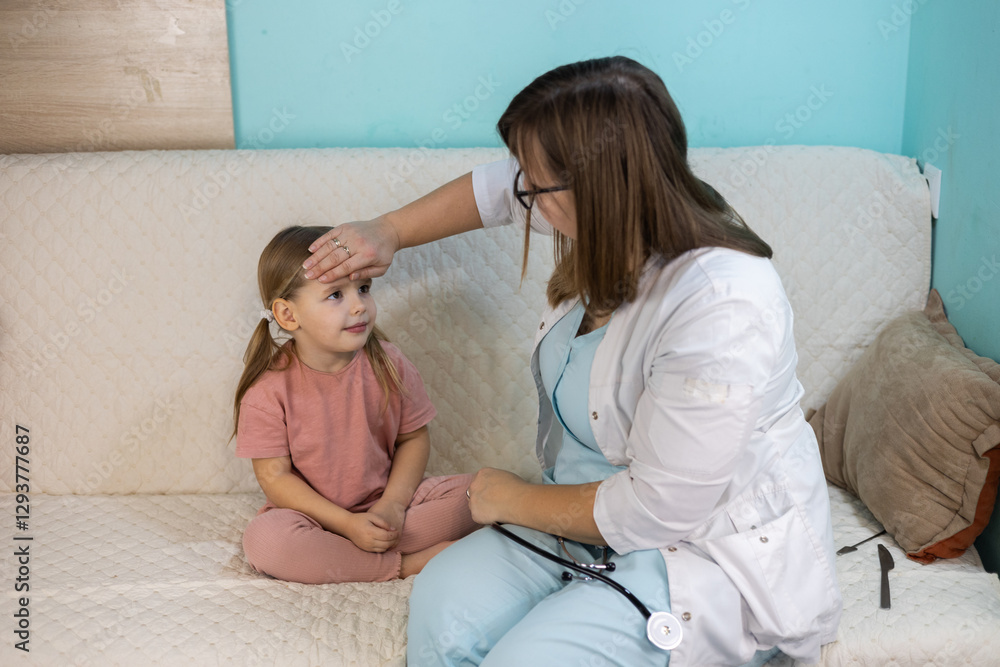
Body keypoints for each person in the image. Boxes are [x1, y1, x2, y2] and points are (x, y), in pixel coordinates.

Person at [301, 56, 842, 666]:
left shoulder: (722, 304)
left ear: (599, 188)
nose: (524, 198)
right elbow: (497, 190)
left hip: (695, 548)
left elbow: (657, 508)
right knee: (446, 622)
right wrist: (389, 230)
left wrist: (506, 498)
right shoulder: (616, 224)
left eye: (535, 187)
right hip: (575, 516)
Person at [231, 225, 478, 584]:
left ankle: (361, 550)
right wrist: (347, 524)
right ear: (288, 315)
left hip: (388, 508)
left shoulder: (389, 363)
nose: (360, 305)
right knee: (266, 542)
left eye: (363, 288)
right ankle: (405, 564)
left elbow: (413, 439)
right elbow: (275, 478)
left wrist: (392, 506)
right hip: (315, 520)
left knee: (484, 492)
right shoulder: (268, 391)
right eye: (335, 295)